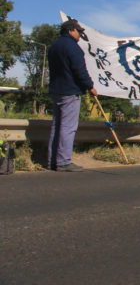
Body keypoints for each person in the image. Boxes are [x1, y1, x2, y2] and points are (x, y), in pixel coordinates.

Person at [47, 19, 98, 172]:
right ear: (70, 30)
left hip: (56, 90)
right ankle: (63, 161)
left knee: (57, 126)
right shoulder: (73, 48)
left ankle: (52, 161)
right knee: (68, 127)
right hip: (70, 91)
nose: (80, 35)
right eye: (78, 31)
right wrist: (90, 86)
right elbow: (80, 71)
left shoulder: (54, 46)